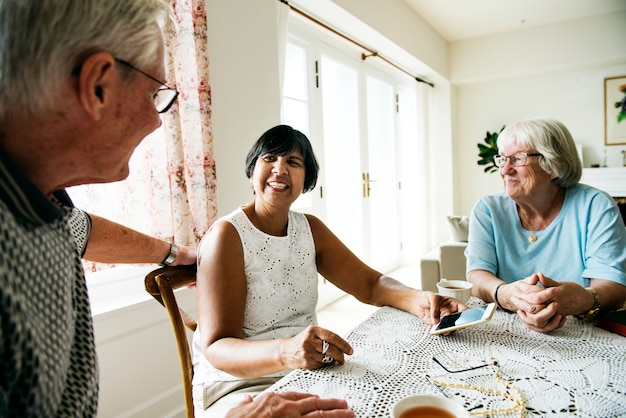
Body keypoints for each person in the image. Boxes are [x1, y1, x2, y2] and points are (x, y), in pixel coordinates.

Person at [0, 1, 348, 416]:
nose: (156, 120)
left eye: (294, 162)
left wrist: (173, 254)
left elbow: (84, 231)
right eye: (155, 94)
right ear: (98, 85)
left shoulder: (46, 207)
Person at [193, 124, 468, 417]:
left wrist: (420, 300)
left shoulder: (309, 228)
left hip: (302, 371)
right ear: (252, 170)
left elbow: (370, 284)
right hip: (238, 387)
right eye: (269, 158)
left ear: (307, 179)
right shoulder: (227, 235)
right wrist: (288, 351)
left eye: (293, 162)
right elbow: (217, 347)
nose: (280, 169)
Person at [465, 118, 626, 334]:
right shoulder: (488, 210)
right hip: (506, 331)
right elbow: (477, 275)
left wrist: (582, 298)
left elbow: (614, 286)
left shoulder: (596, 206)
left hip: (580, 333)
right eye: (502, 159)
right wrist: (508, 294)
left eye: (517, 159)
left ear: (554, 165)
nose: (505, 170)